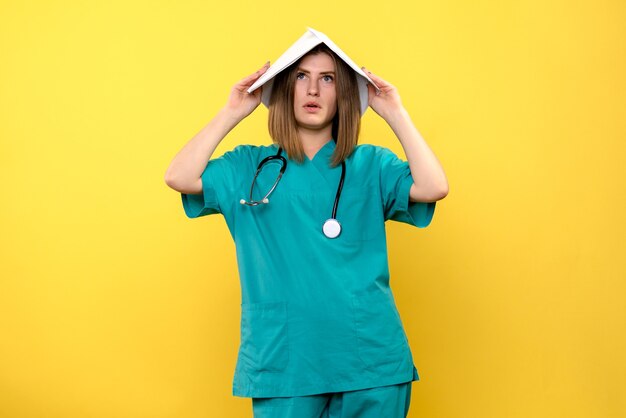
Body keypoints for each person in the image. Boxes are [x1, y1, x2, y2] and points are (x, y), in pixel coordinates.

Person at [165, 28, 448, 418]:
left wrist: (395, 113)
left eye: (327, 78)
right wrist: (231, 112)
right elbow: (178, 176)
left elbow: (434, 187)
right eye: (301, 76)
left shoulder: (371, 166)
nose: (313, 90)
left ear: (343, 95)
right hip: (286, 363)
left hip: (371, 363)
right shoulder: (248, 166)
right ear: (284, 90)